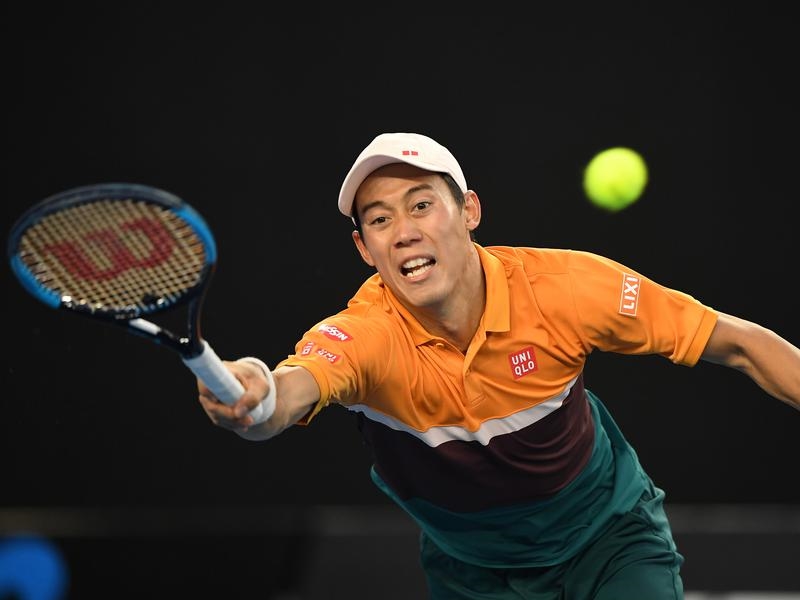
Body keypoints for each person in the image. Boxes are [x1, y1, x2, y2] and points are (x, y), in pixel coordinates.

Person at [196, 132, 800, 599]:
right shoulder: (365, 336)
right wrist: (257, 391)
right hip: (473, 573)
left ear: (469, 211)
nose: (403, 232)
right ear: (364, 247)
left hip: (608, 539)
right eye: (380, 220)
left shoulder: (565, 289)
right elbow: (289, 390)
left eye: (422, 205)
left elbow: (740, 343)